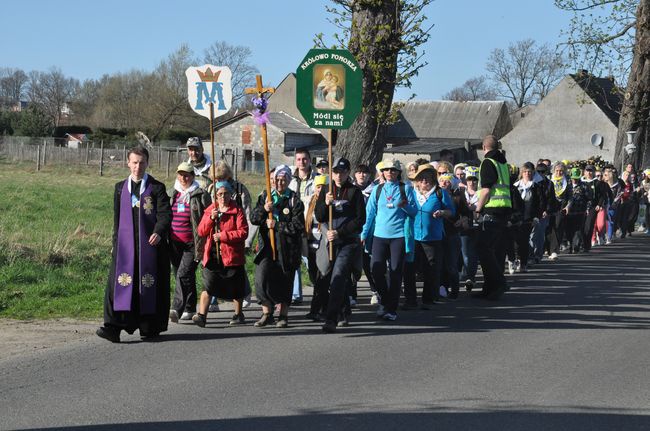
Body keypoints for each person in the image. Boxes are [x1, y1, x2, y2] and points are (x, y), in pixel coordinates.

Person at [97, 146, 172, 343]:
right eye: (134, 162)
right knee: (118, 284)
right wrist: (115, 242)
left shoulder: (157, 188)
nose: (138, 166)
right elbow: (117, 219)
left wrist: (158, 231)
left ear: (147, 163)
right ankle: (113, 327)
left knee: (147, 285)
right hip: (125, 247)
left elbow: (165, 214)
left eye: (142, 162)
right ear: (128, 163)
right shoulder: (120, 188)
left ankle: (149, 326)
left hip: (150, 247)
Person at [361, 159, 417, 321]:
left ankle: (391, 309)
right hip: (379, 235)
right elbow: (369, 214)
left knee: (395, 272)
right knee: (376, 270)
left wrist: (405, 206)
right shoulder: (377, 190)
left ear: (399, 172)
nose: (390, 172)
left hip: (399, 236)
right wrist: (364, 234)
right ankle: (385, 301)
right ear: (382, 172)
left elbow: (414, 212)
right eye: (386, 170)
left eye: (393, 170)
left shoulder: (405, 188)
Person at [251, 165, 305, 328]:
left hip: (287, 249)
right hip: (266, 247)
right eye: (276, 180)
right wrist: (263, 209)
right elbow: (254, 218)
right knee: (261, 279)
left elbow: (298, 226)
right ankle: (267, 313)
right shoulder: (265, 196)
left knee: (285, 281)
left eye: (282, 180)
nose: (279, 183)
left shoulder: (294, 200)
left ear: (288, 180)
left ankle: (283, 315)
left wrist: (278, 225)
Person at [316, 158, 366, 332]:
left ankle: (331, 319)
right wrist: (325, 203)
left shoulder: (355, 193)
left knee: (338, 277)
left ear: (348, 173)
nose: (339, 175)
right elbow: (320, 216)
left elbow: (360, 220)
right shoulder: (326, 190)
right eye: (335, 172)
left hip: (348, 243)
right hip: (330, 242)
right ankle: (344, 311)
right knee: (331, 277)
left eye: (342, 172)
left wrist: (340, 232)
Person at [192, 181, 249, 327]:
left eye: (225, 193)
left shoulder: (237, 211)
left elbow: (243, 232)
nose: (223, 197)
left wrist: (224, 236)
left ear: (231, 194)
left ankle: (238, 314)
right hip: (212, 256)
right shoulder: (210, 210)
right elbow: (201, 231)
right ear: (215, 196)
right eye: (219, 194)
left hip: (232, 256)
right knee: (208, 285)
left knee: (236, 287)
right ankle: (202, 316)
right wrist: (211, 219)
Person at [208, 160, 256, 311]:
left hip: (236, 235)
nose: (218, 182)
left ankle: (244, 294)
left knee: (236, 269)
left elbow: (248, 214)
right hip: (217, 235)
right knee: (216, 267)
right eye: (215, 179)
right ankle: (213, 299)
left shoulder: (240, 190)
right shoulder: (211, 189)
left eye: (221, 179)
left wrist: (247, 240)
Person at [168, 162, 211, 323]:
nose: (183, 178)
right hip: (174, 242)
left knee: (183, 273)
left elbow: (207, 217)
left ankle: (176, 308)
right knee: (185, 275)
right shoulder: (172, 193)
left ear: (193, 176)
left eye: (186, 175)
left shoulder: (201, 194)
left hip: (193, 243)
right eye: (180, 174)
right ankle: (190, 307)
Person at [408, 165, 454, 307]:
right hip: (413, 236)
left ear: (433, 179)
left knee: (432, 269)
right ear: (416, 180)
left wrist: (442, 213)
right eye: (421, 178)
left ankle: (429, 298)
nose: (424, 180)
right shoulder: (411, 192)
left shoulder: (440, 193)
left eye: (428, 177)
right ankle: (410, 300)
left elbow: (451, 211)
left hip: (433, 237)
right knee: (410, 269)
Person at [473, 135, 512, 300]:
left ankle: (498, 282)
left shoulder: (488, 162)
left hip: (492, 210)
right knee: (492, 250)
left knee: (483, 248)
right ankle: (489, 288)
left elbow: (486, 190)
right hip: (504, 210)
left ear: (484, 147)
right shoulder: (502, 163)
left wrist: (477, 208)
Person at [289, 149, 316, 305]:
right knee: (294, 260)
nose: (302, 162)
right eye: (298, 159)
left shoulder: (317, 179)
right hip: (293, 224)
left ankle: (319, 289)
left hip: (309, 225)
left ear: (310, 160)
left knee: (310, 261)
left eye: (304, 159)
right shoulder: (290, 179)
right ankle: (296, 294)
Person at [438, 172, 468, 300]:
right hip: (438, 234)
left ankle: (454, 291)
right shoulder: (436, 195)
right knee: (440, 264)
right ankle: (442, 288)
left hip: (452, 234)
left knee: (451, 265)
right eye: (442, 180)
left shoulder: (458, 197)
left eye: (448, 181)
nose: (444, 183)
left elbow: (467, 214)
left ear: (453, 183)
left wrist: (461, 220)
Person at [304, 174, 329, 321]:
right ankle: (320, 307)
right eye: (318, 187)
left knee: (321, 280)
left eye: (323, 187)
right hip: (311, 245)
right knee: (315, 279)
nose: (320, 190)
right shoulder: (310, 201)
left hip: (323, 246)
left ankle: (319, 309)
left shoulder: (328, 202)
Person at [513, 162, 544, 272]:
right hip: (516, 218)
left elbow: (540, 203)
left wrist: (537, 217)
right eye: (525, 171)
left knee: (524, 240)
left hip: (529, 218)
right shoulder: (515, 186)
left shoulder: (536, 186)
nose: (527, 174)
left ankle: (523, 263)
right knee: (515, 241)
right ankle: (516, 260)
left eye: (529, 172)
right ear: (522, 173)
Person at [460, 166, 480, 289]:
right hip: (464, 227)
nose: (472, 182)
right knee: (466, 254)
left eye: (474, 180)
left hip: (479, 226)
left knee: (474, 254)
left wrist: (474, 208)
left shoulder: (482, 193)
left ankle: (470, 276)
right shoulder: (461, 193)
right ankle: (468, 276)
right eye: (469, 179)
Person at [547, 161, 572, 260]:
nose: (559, 173)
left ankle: (554, 250)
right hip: (550, 205)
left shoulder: (567, 180)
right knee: (549, 227)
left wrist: (568, 206)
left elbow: (570, 196)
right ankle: (549, 248)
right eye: (557, 171)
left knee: (557, 225)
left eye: (561, 171)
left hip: (561, 206)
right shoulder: (550, 179)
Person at [582, 164, 609, 249]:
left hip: (593, 206)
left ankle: (586, 245)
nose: (589, 173)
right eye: (587, 171)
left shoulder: (598, 183)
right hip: (581, 206)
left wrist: (599, 204)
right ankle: (580, 243)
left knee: (589, 225)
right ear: (584, 172)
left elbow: (602, 195)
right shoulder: (581, 182)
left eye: (591, 171)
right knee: (581, 225)